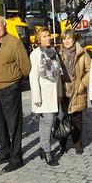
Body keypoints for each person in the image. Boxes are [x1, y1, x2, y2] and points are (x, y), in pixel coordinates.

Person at [0, 16, 31, 173]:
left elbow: (25, 66)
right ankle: (5, 152)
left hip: (10, 88)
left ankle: (16, 158)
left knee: (14, 124)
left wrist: (14, 79)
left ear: (5, 26)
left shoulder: (14, 42)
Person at [29, 27, 62, 166]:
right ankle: (47, 151)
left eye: (48, 35)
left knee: (46, 123)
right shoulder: (35, 54)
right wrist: (36, 98)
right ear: (38, 39)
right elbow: (33, 76)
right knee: (48, 122)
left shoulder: (54, 53)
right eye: (44, 36)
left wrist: (59, 94)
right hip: (43, 95)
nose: (47, 38)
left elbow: (58, 76)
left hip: (53, 94)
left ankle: (43, 149)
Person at [57, 29, 91, 155]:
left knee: (77, 120)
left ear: (74, 39)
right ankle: (63, 145)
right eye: (64, 38)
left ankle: (78, 144)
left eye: (69, 38)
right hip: (62, 90)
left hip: (77, 90)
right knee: (63, 119)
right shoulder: (57, 53)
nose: (66, 41)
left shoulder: (82, 53)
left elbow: (90, 69)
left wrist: (83, 84)